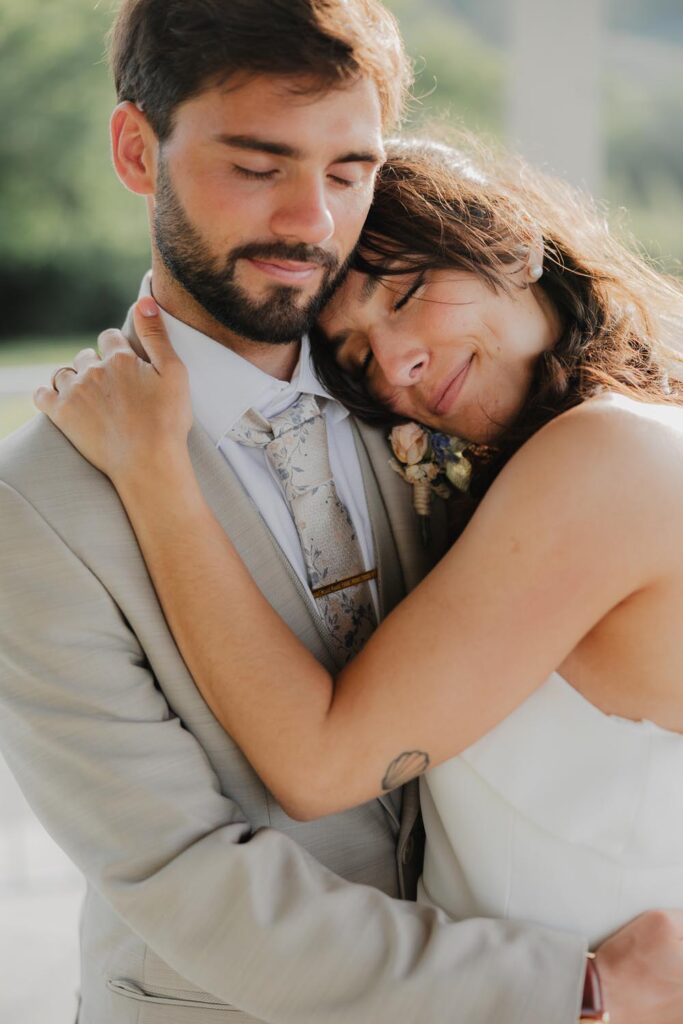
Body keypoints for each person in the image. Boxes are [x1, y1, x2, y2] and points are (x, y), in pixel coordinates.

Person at [0, 0, 681, 1018]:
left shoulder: (452, 413)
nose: (310, 219)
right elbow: (185, 875)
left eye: (348, 171)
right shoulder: (42, 505)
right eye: (257, 165)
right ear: (137, 149)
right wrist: (572, 991)